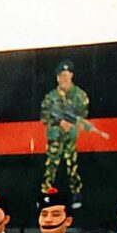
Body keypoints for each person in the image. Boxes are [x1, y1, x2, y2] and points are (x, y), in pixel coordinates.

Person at [40, 61, 107, 200]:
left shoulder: (80, 95)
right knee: (51, 165)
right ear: (57, 78)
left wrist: (70, 122)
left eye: (66, 75)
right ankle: (46, 194)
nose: (63, 78)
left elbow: (82, 115)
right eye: (60, 76)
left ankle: (75, 192)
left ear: (71, 75)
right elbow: (44, 117)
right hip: (55, 135)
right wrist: (59, 122)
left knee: (72, 165)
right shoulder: (50, 97)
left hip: (71, 135)